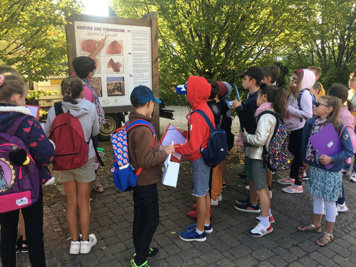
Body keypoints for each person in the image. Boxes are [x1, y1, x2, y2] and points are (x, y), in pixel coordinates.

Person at [0, 68, 55, 266]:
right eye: (24, 96)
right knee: (34, 234)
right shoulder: (27, 122)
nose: (25, 101)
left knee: (6, 234)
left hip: (2, 187)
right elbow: (46, 155)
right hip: (28, 186)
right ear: (16, 97)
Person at [45, 76, 100, 254]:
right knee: (84, 202)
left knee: (71, 202)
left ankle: (74, 242)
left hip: (64, 160)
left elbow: (47, 133)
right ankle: (85, 242)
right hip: (85, 158)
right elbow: (95, 131)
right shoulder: (90, 107)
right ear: (83, 92)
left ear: (63, 92)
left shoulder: (54, 110)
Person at [127, 85, 174, 267]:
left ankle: (141, 249)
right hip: (145, 182)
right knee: (151, 220)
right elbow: (146, 160)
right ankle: (139, 260)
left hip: (138, 180)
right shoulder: (144, 129)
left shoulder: (132, 122)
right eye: (153, 104)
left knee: (140, 217)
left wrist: (158, 149)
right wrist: (166, 151)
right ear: (148, 104)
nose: (154, 107)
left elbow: (142, 152)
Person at [298, 96, 353, 246]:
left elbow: (349, 150)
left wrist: (332, 159)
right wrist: (307, 163)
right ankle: (316, 225)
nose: (314, 106)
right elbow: (305, 145)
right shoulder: (310, 123)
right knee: (316, 196)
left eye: (317, 104)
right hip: (315, 168)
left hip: (330, 171)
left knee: (329, 201)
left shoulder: (338, 126)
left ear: (329, 109)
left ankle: (328, 233)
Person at [242, 84, 287, 236]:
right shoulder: (270, 113)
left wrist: (245, 136)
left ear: (264, 97)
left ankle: (265, 224)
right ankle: (267, 215)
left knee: (261, 189)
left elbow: (259, 139)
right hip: (262, 156)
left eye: (259, 95)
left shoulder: (266, 115)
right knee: (264, 188)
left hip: (258, 156)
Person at [175, 76, 214, 242]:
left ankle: (199, 232)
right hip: (205, 157)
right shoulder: (204, 108)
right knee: (204, 191)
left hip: (199, 160)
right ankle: (205, 224)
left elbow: (192, 147)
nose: (185, 96)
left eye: (187, 92)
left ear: (194, 94)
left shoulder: (197, 115)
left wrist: (173, 149)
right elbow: (199, 135)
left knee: (199, 194)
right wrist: (183, 132)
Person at [72, 37, 106, 193]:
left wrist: (99, 48)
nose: (94, 70)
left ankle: (93, 180)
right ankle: (85, 188)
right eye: (93, 69)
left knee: (92, 155)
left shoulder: (76, 79)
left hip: (82, 129)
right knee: (89, 156)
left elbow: (85, 62)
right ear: (89, 72)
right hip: (85, 130)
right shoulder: (84, 90)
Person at [233, 66, 265, 213]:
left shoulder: (257, 98)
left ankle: (254, 203)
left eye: (245, 79)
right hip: (250, 139)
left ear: (253, 81)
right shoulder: (251, 96)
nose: (242, 82)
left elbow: (251, 122)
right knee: (250, 172)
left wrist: (239, 109)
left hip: (254, 140)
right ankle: (252, 198)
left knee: (253, 172)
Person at [277, 69, 315, 193]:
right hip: (291, 128)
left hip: (299, 129)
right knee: (293, 154)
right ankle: (292, 178)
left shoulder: (304, 94)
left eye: (295, 79)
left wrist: (289, 109)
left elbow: (308, 115)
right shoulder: (294, 92)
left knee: (298, 157)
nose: (292, 81)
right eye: (291, 78)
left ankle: (298, 185)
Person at [328, 83, 356, 212]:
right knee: (336, 178)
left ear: (338, 100)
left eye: (329, 99)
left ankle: (339, 203)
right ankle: (340, 202)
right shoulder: (336, 113)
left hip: (337, 154)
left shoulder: (346, 117)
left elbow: (348, 141)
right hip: (332, 152)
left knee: (336, 178)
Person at [263, 65, 281, 198]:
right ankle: (266, 187)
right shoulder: (276, 90)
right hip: (273, 132)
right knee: (268, 161)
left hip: (269, 133)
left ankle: (267, 189)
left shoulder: (271, 92)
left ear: (268, 78)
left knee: (267, 161)